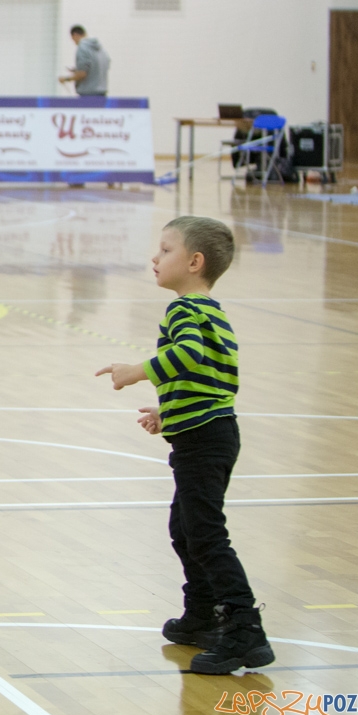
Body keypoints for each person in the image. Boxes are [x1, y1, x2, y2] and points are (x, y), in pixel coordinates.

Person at [93, 216, 273, 675]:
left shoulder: (184, 310)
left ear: (195, 262)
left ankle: (244, 628)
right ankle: (203, 614)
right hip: (210, 432)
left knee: (205, 534)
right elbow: (211, 379)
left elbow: (188, 354)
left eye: (165, 250)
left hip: (205, 439)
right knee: (186, 528)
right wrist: (168, 409)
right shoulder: (211, 310)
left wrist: (137, 371)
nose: (155, 258)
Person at [59, 25, 111, 96]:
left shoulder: (82, 47)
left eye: (73, 39)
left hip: (88, 95)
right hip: (102, 94)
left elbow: (82, 74)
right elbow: (101, 67)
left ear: (75, 35)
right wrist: (77, 70)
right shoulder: (101, 49)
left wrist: (65, 79)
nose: (74, 42)